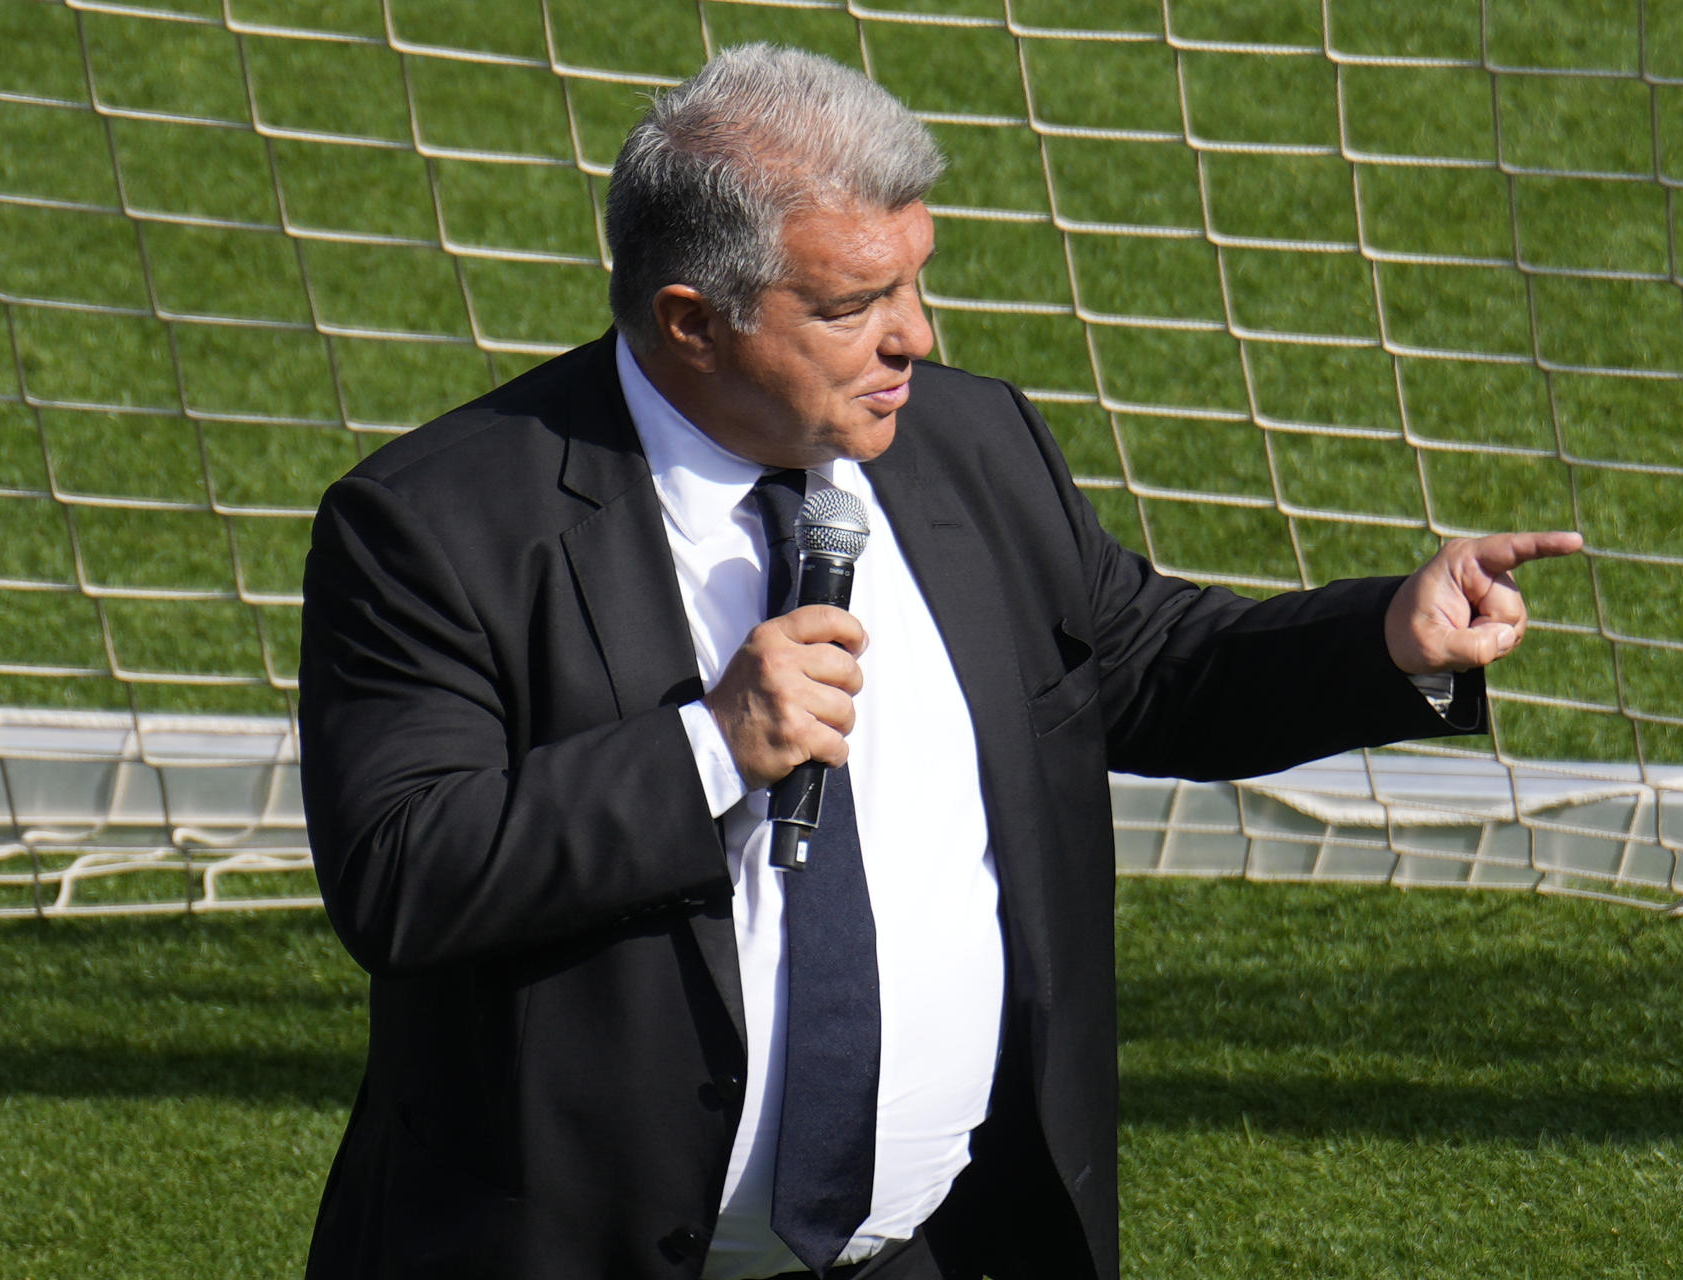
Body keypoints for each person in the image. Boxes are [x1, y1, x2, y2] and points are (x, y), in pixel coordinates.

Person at [297, 43, 1582, 1280]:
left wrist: (1385, 640)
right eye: (855, 306)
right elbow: (404, 872)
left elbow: (1132, 662)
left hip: (933, 1253)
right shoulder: (438, 524)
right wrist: (708, 746)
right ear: (691, 321)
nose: (913, 335)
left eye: (916, 279)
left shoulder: (967, 444)